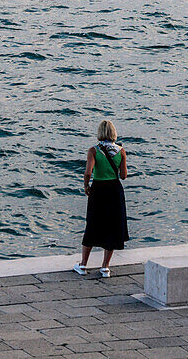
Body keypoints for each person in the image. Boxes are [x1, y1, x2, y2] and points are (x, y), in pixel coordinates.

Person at [73, 119, 128, 278]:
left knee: (93, 224)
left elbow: (88, 172)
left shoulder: (93, 150)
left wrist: (86, 185)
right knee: (112, 226)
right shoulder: (121, 151)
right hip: (115, 190)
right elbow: (123, 176)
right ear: (113, 133)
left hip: (99, 189)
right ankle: (105, 267)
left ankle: (83, 265)